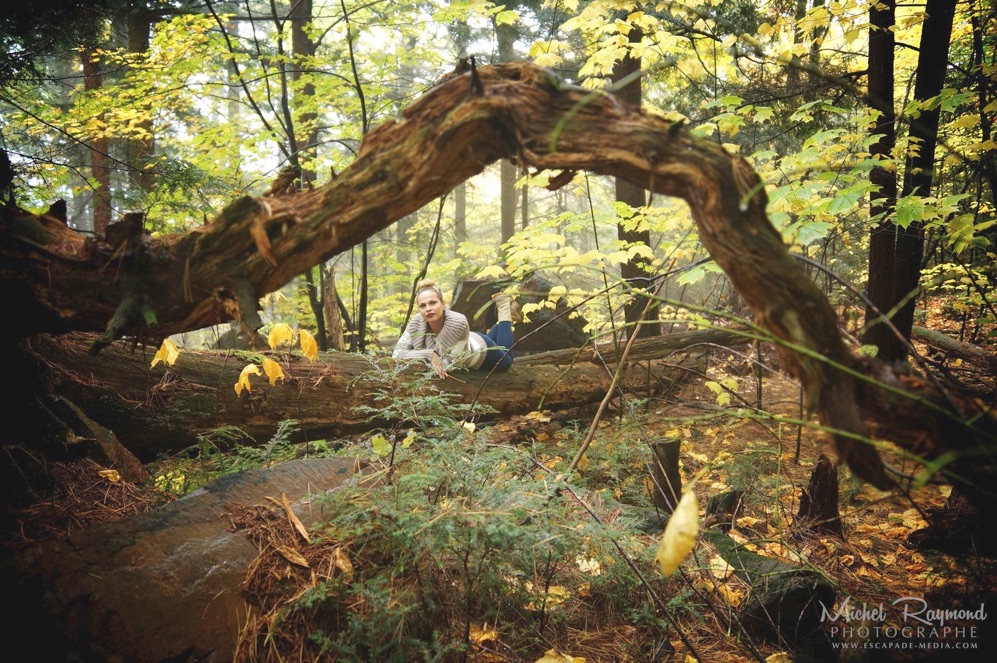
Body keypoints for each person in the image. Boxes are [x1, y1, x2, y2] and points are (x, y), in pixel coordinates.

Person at [393, 279, 519, 378]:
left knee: (507, 361)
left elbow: (447, 365)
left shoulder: (458, 322)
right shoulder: (416, 322)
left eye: (433, 303)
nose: (428, 309)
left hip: (480, 350)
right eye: (422, 305)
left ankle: (504, 310)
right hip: (467, 338)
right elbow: (397, 354)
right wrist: (429, 354)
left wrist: (419, 355)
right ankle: (503, 321)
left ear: (443, 303)